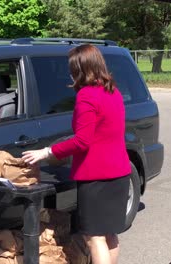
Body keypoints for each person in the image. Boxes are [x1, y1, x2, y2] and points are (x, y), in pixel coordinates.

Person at [22, 44, 131, 264]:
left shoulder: (87, 96)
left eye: (72, 68)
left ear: (80, 69)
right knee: (109, 234)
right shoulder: (113, 91)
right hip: (119, 172)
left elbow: (82, 141)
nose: (70, 73)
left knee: (94, 237)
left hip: (97, 176)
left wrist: (46, 151)